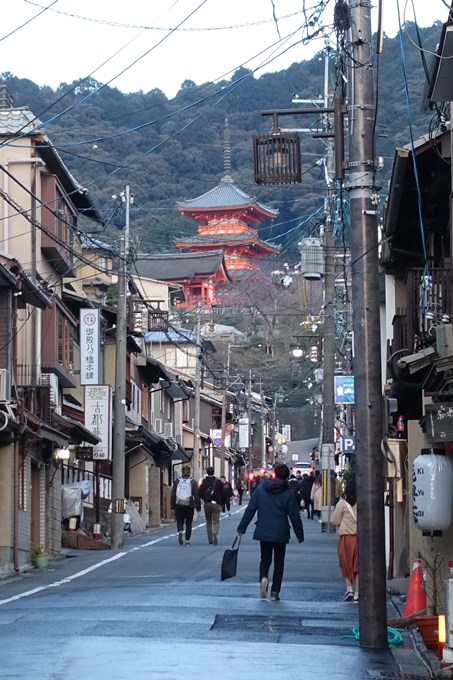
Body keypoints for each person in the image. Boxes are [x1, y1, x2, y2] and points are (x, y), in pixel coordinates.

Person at [237, 463, 304, 602]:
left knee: (265, 559)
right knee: (279, 562)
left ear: (273, 474)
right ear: (286, 477)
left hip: (264, 528)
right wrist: (299, 534)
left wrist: (241, 528)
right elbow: (294, 515)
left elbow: (250, 510)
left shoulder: (261, 489)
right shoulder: (288, 492)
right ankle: (275, 592)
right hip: (281, 531)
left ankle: (263, 579)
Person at [331, 478, 358, 603]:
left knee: (345, 563)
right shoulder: (363, 502)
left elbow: (335, 521)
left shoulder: (342, 504)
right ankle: (358, 592)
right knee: (358, 565)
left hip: (345, 538)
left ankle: (349, 589)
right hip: (359, 538)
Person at [171, 464, 201, 546]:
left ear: (182, 471)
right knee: (188, 523)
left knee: (180, 521)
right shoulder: (193, 481)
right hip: (189, 505)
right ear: (189, 472)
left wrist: (172, 506)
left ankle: (180, 531)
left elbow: (173, 494)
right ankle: (187, 540)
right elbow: (196, 495)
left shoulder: (177, 481)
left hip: (179, 504)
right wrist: (198, 506)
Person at [199, 467, 226, 545]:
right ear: (213, 472)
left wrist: (205, 498)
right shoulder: (218, 482)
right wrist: (222, 503)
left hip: (207, 503)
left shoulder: (204, 482)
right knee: (216, 521)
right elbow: (223, 494)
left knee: (208, 522)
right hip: (216, 504)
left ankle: (210, 540)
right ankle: (215, 532)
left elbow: (199, 493)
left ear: (207, 472)